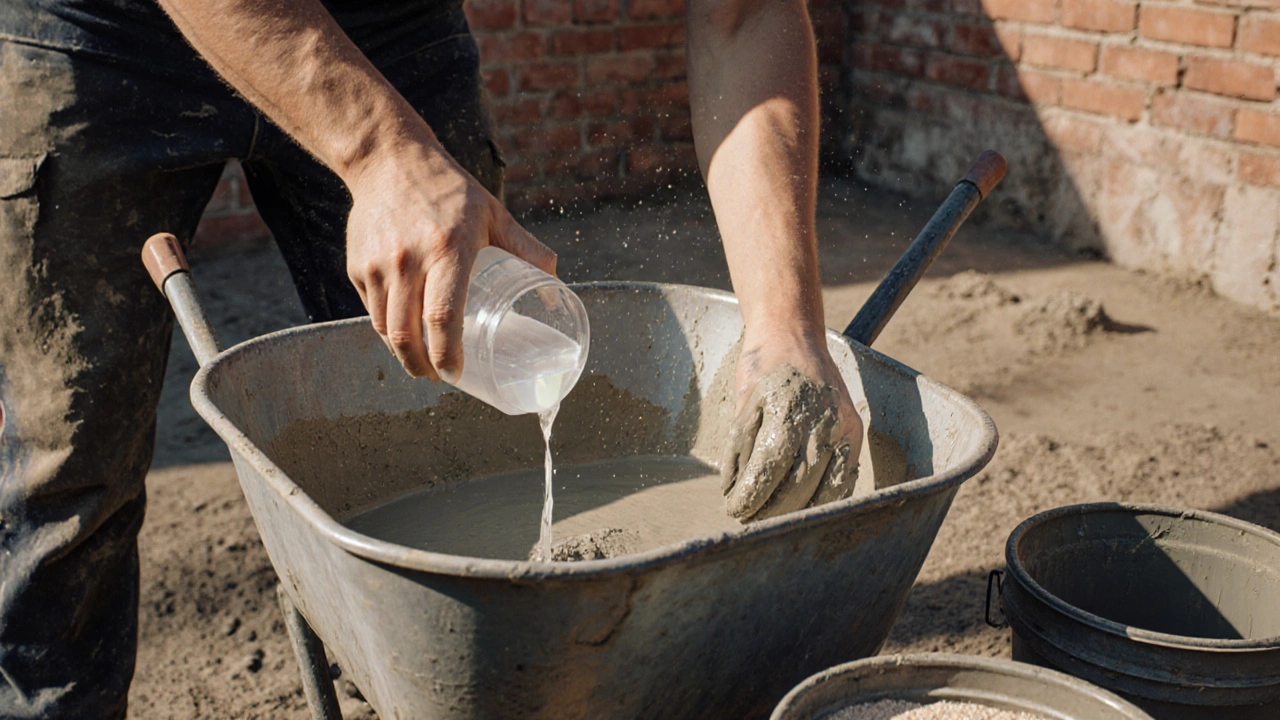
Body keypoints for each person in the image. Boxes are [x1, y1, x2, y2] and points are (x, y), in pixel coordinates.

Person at [0, 0, 864, 716]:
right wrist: (380, 152)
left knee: (464, 401)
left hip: (386, 22)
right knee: (67, 475)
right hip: (94, 32)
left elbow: (743, 16)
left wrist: (786, 329)